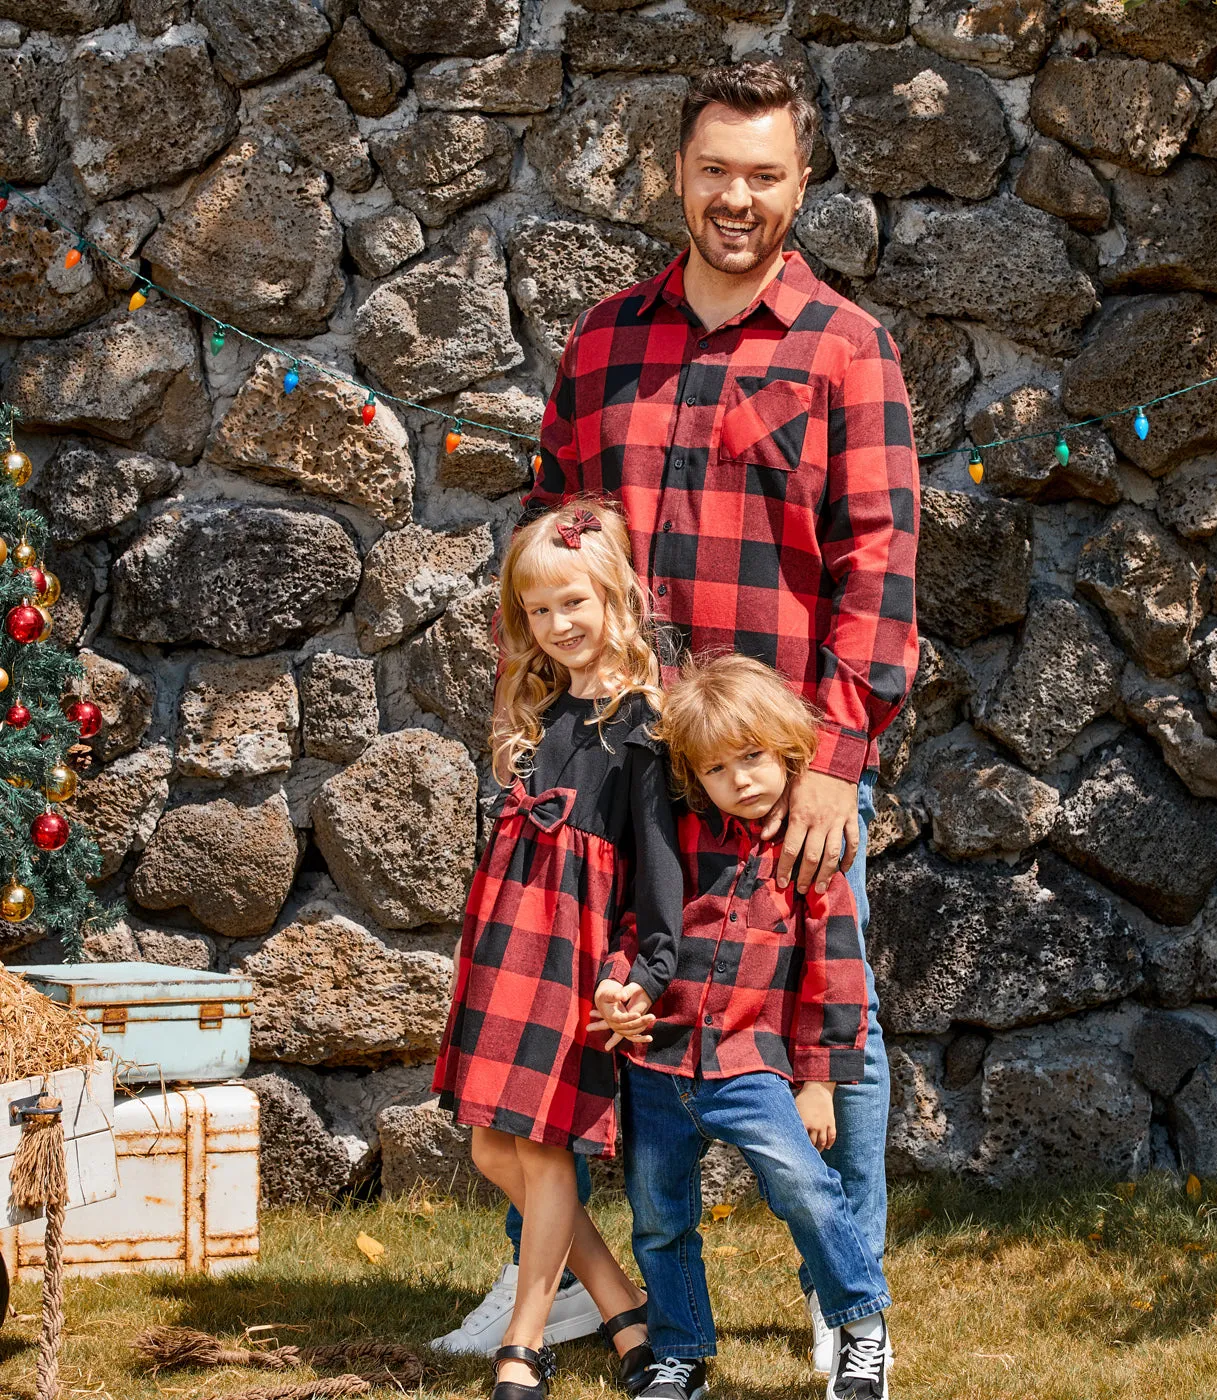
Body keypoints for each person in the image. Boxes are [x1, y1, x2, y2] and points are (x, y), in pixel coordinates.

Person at [493, 58, 921, 1374]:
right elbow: (550, 539)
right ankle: (602, 1297)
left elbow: (881, 566)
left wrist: (837, 761)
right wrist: (540, 716)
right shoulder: (603, 344)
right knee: (600, 1026)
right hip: (624, 775)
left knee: (830, 1037)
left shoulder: (848, 350)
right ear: (675, 174)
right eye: (717, 171)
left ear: (802, 182)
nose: (739, 198)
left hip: (774, 773)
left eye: (767, 175)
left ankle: (850, 1311)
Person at [430, 501, 684, 1400]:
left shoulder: (643, 725)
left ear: (616, 594)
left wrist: (643, 974)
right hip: (509, 951)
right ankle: (621, 1308)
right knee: (491, 1153)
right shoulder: (539, 713)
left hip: (573, 963)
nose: (557, 626)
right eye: (538, 612)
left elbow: (657, 876)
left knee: (540, 1155)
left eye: (573, 603)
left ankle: (525, 1346)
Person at [594, 653, 893, 1400]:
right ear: (696, 778)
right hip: (660, 1063)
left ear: (789, 749)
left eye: (754, 757)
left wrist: (819, 1083)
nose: (743, 780)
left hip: (751, 1065)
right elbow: (641, 925)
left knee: (806, 1189)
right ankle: (680, 1353)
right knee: (659, 1219)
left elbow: (836, 977)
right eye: (720, 768)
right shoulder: (683, 841)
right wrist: (622, 979)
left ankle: (861, 1327)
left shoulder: (809, 856)